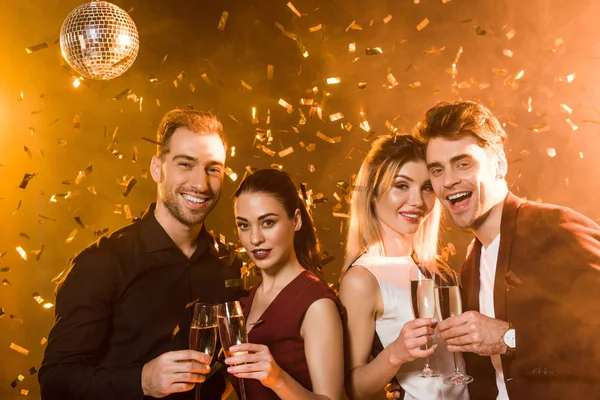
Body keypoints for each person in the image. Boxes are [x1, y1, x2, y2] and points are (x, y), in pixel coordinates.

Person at [39, 109, 244, 400]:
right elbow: (55, 382)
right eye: (186, 164)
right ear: (157, 169)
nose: (201, 183)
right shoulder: (101, 262)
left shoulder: (229, 264)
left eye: (213, 169)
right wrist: (143, 380)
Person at [415, 100, 600, 399]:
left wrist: (509, 337)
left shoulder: (552, 227)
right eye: (437, 170)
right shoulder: (472, 260)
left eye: (463, 163)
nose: (449, 181)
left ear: (499, 164)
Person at [339, 134, 469, 400]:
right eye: (401, 185)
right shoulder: (362, 278)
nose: (418, 201)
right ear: (373, 193)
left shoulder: (439, 271)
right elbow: (351, 388)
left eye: (426, 188)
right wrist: (395, 353)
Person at [225, 168, 345, 400]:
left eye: (267, 222)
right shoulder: (245, 301)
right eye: (244, 225)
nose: (255, 238)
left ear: (297, 220)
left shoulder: (316, 304)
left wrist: (277, 378)